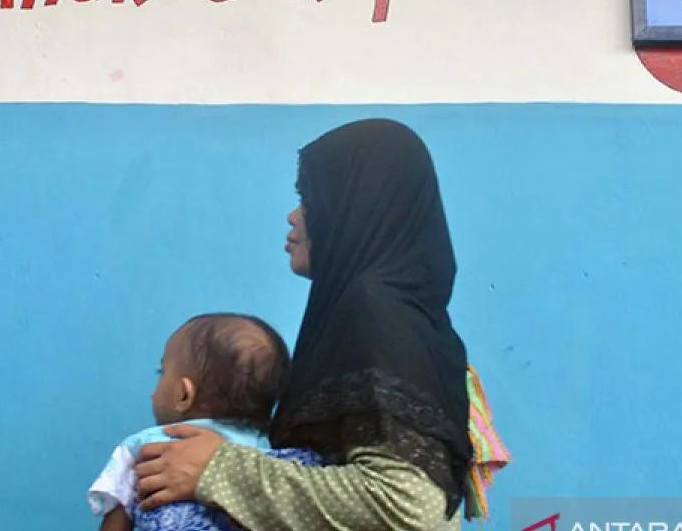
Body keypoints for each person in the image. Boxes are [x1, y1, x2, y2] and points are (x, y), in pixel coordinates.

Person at [133, 118, 476, 530]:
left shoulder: (377, 312)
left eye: (309, 198)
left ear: (355, 205)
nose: (293, 216)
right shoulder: (403, 315)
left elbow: (409, 507)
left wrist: (217, 469)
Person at [87, 312, 323, 531]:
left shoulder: (146, 446)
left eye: (162, 372)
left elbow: (117, 516)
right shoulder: (271, 453)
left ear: (184, 395)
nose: (153, 392)